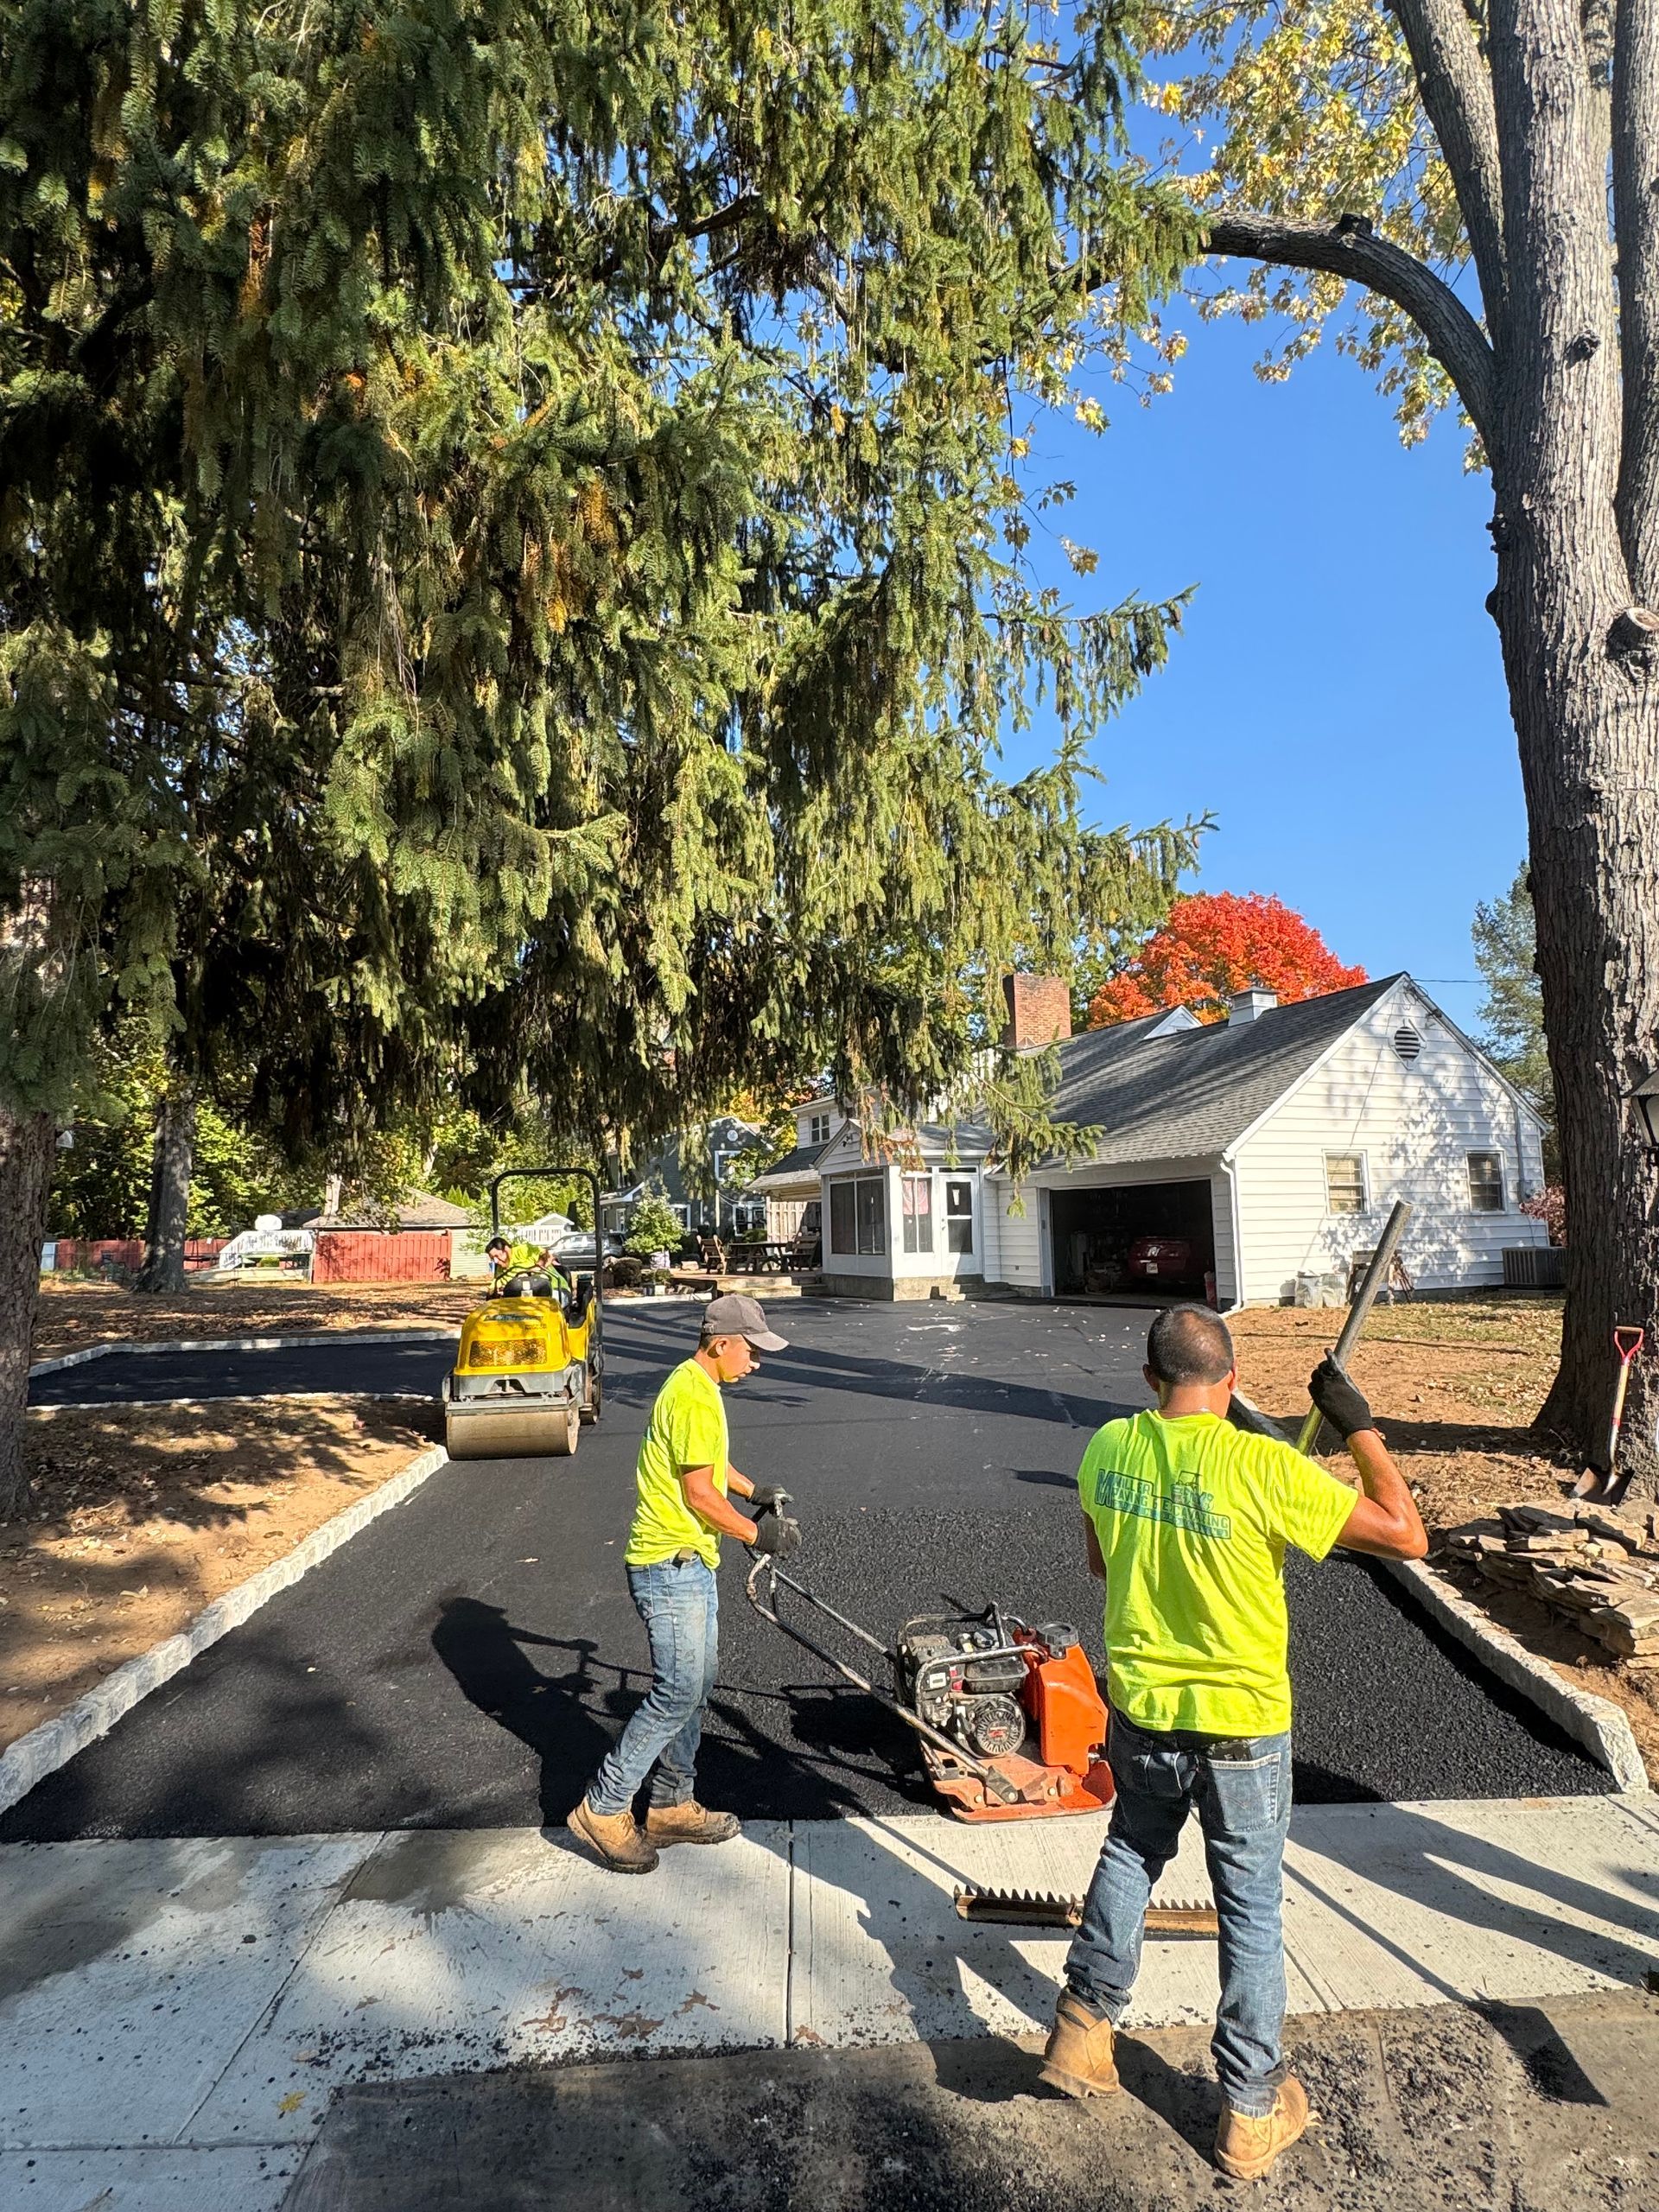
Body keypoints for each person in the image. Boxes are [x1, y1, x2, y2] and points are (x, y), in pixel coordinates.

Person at [1039, 1303, 1427, 2182]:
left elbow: (1102, 1563)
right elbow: (1407, 1534)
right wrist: (1360, 1425)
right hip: (1242, 1724)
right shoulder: (1263, 1466)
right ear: (1234, 1377)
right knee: (1250, 1903)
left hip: (1141, 1705)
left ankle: (1081, 2023)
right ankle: (1250, 2107)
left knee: (1134, 1850)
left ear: (1150, 1380)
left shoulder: (1108, 1449)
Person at [567, 1293, 800, 1873]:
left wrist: (754, 1491)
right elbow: (699, 1494)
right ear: (722, 1343)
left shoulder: (696, 1386)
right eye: (751, 1351)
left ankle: (670, 1804)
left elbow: (707, 1467)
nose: (755, 1362)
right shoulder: (694, 1396)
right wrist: (754, 1533)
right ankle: (603, 1806)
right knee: (676, 1691)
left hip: (688, 1561)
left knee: (696, 1687)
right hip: (669, 1564)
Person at [484, 1233, 569, 1301]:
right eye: (492, 1258)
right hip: (524, 1300)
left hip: (555, 1291)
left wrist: (533, 1271)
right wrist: (496, 1292)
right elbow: (492, 1289)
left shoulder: (523, 1250)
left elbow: (547, 1255)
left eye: (497, 1256)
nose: (495, 1261)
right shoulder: (500, 1269)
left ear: (506, 1249)